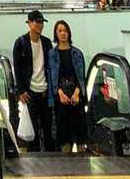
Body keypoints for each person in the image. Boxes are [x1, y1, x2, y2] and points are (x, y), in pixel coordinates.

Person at [11, 9, 52, 152]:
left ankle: (51, 156)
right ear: (29, 23)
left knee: (48, 127)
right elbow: (17, 68)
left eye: (42, 22)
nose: (40, 25)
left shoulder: (46, 43)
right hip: (30, 92)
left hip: (45, 91)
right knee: (32, 128)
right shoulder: (21, 43)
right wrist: (21, 90)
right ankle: (35, 157)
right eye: (37, 22)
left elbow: (50, 66)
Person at [48, 20, 87, 154]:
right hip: (60, 97)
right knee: (63, 133)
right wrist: (59, 93)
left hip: (76, 96)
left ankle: (82, 157)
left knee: (80, 130)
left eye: (65, 30)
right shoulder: (52, 54)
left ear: (69, 33)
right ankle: (66, 159)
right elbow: (52, 76)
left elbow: (80, 76)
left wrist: (77, 92)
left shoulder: (77, 53)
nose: (63, 33)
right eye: (60, 31)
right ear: (56, 34)